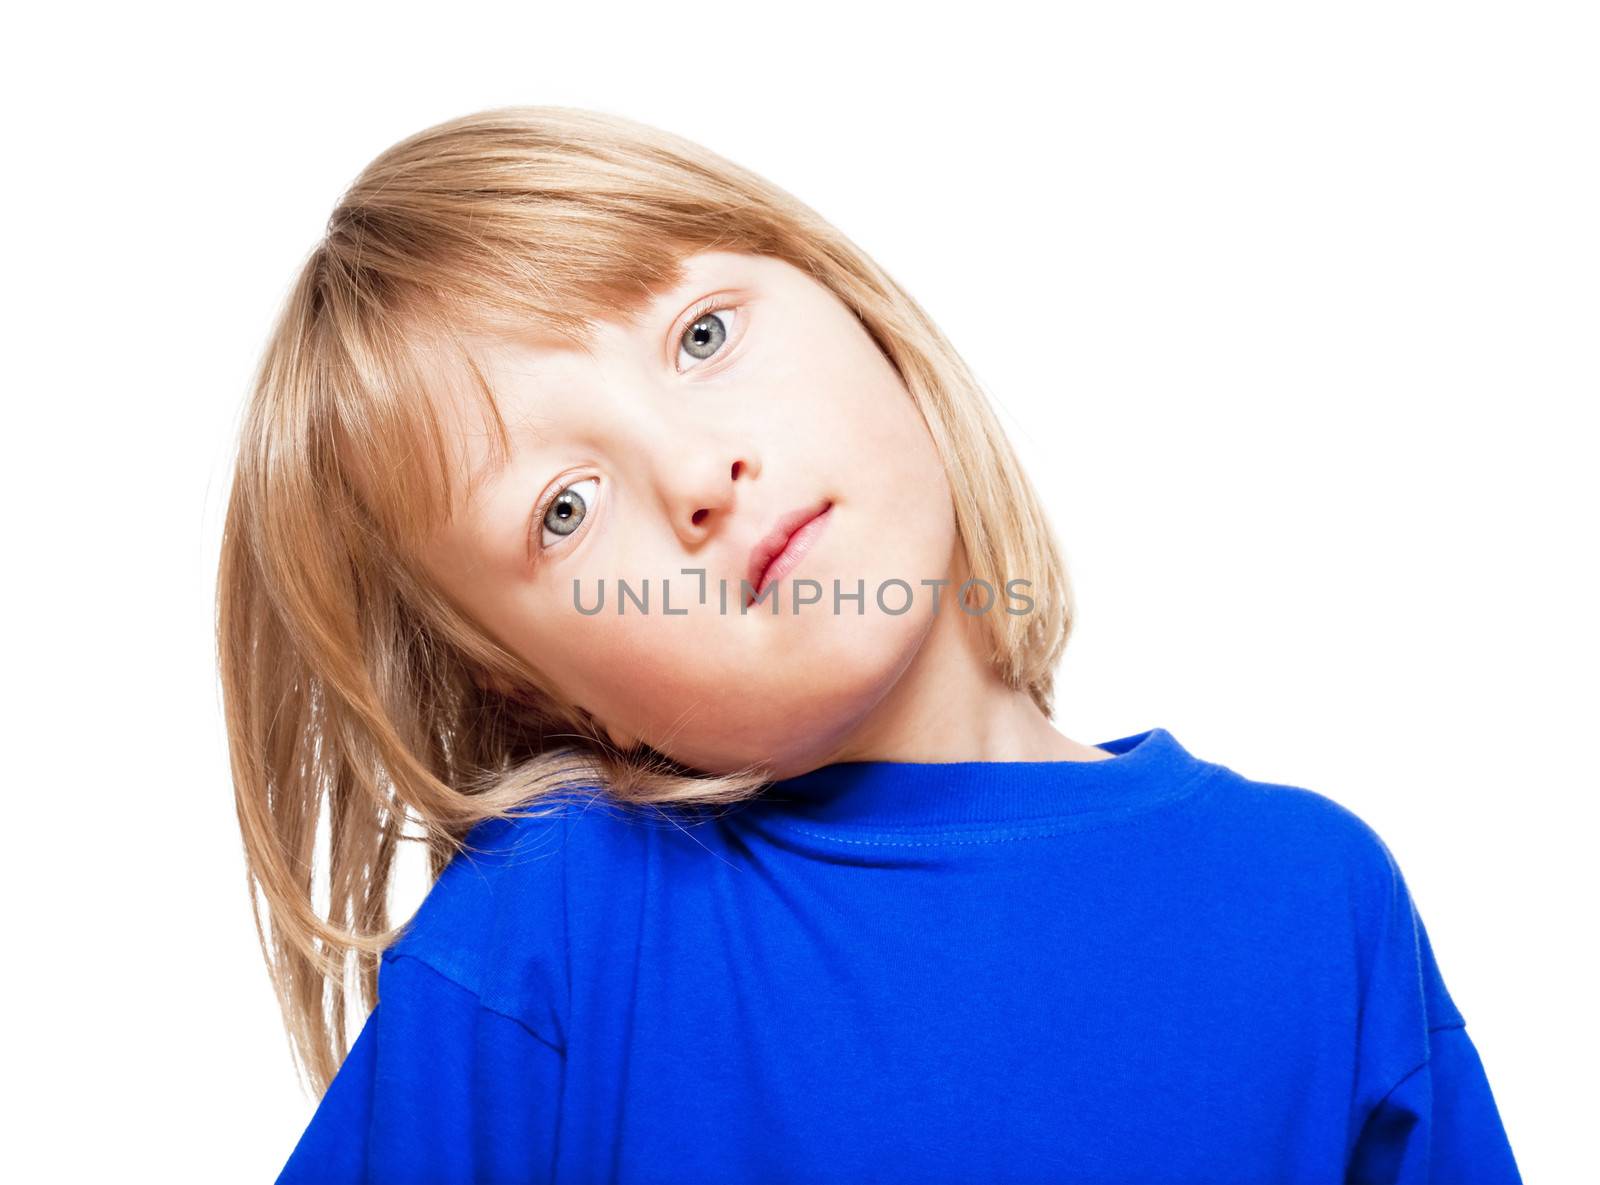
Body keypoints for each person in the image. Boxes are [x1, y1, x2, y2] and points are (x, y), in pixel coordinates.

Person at [217, 105, 1521, 1184]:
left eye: (702, 335)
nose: (694, 472)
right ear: (544, 695)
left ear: (849, 298)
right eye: (563, 510)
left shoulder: (1310, 901)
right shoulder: (550, 938)